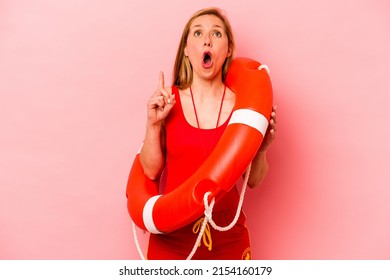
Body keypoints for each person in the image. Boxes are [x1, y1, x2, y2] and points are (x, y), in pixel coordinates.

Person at [139, 7, 277, 260]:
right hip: (172, 232)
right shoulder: (168, 101)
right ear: (186, 50)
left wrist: (263, 148)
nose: (207, 39)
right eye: (198, 32)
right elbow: (149, 171)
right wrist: (153, 124)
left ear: (227, 51)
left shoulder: (242, 109)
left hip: (227, 233)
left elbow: (253, 181)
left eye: (216, 33)